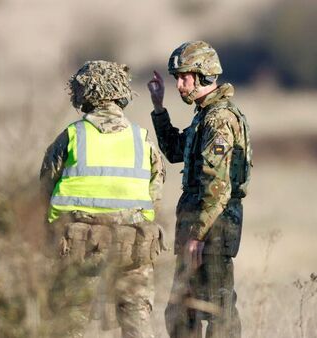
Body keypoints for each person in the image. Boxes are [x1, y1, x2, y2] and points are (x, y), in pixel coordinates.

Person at [40, 60, 165, 338]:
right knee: (137, 323)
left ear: (84, 94)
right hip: (133, 246)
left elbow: (46, 186)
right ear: (121, 92)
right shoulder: (142, 139)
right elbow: (156, 191)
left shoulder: (71, 136)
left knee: (70, 322)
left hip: (79, 245)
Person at [147, 41, 252, 338]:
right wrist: (158, 108)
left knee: (218, 312)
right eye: (176, 78)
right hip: (200, 228)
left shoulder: (219, 118)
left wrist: (198, 235)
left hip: (212, 231)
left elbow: (218, 187)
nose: (179, 84)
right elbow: (175, 150)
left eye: (184, 77)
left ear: (204, 75)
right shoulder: (204, 115)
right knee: (182, 312)